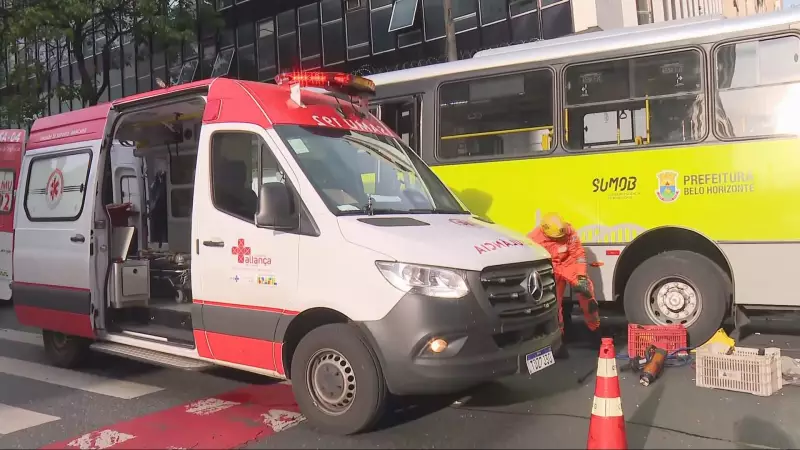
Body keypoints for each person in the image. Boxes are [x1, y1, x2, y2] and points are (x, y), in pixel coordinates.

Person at [528, 213, 600, 358]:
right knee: (554, 304)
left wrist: (580, 275)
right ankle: (558, 342)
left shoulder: (568, 230)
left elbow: (578, 253)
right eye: (554, 238)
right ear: (544, 230)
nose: (558, 239)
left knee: (587, 294)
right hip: (551, 268)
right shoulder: (533, 238)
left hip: (568, 264)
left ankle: (595, 333)